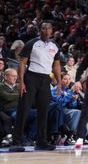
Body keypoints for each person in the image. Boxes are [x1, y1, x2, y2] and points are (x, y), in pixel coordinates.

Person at [9, 21, 63, 151]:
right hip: (31, 77)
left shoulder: (54, 46)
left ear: (51, 31)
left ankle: (41, 141)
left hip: (45, 79)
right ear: (40, 30)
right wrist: (21, 81)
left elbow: (56, 65)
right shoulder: (32, 43)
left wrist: (59, 82)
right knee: (24, 109)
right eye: (43, 28)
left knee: (44, 111)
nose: (46, 30)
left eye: (48, 28)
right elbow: (22, 63)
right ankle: (16, 141)